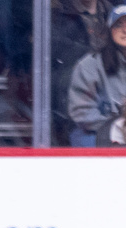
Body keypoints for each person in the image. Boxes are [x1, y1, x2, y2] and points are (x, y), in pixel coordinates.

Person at [52, 0, 114, 145]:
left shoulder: (112, 11)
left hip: (110, 73)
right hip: (75, 72)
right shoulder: (62, 12)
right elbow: (58, 46)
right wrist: (91, 56)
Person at [68, 5, 126, 146]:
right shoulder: (90, 65)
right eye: (118, 25)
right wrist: (117, 125)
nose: (125, 30)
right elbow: (81, 111)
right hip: (100, 135)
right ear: (110, 31)